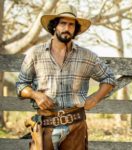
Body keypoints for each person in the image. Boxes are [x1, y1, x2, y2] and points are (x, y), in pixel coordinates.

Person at [16, 4, 115, 150]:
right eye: (63, 23)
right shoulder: (35, 53)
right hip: (45, 126)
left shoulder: (87, 56)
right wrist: (35, 95)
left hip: (76, 126)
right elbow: (21, 85)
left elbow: (109, 78)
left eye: (71, 24)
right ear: (55, 26)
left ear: (75, 29)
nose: (67, 28)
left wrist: (95, 98)